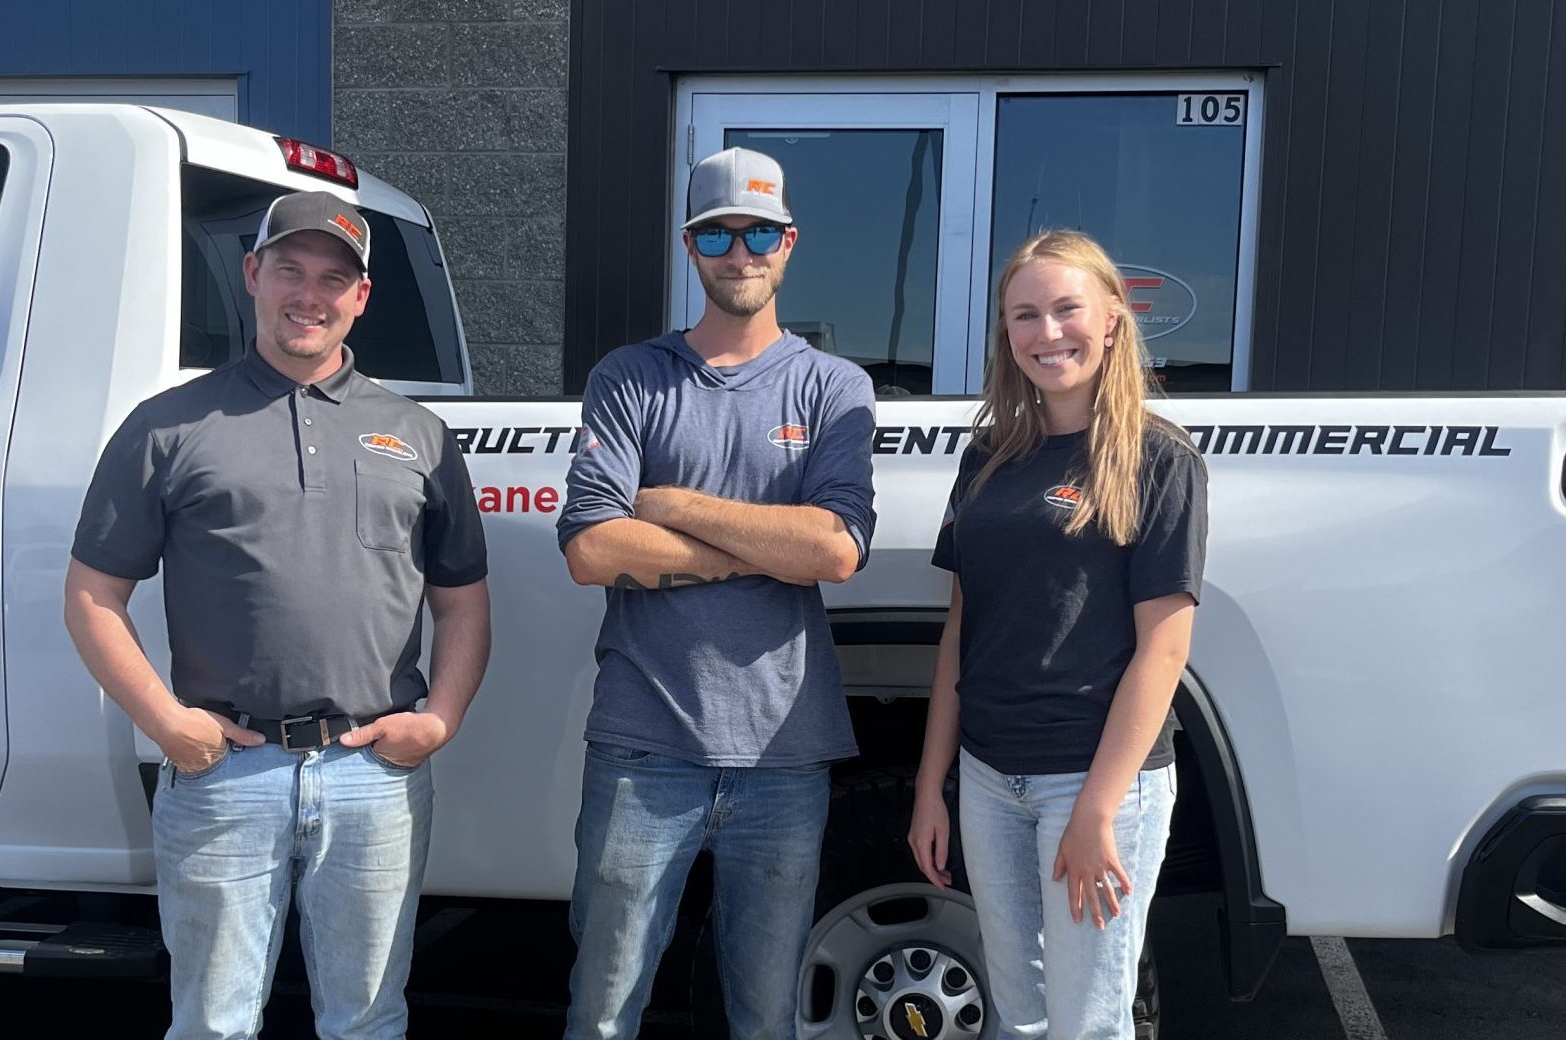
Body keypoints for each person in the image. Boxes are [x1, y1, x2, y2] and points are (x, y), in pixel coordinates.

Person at [63, 191, 491, 1040]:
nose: (310, 294)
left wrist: (437, 722)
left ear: (360, 298)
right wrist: (167, 726)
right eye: (290, 269)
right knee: (213, 1024)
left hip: (375, 776)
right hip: (224, 774)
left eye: (335, 278)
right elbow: (91, 596)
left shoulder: (418, 434)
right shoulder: (170, 425)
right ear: (253, 275)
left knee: (366, 1022)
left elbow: (463, 601)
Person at [556, 147, 877, 1040]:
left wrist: (678, 509)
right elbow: (590, 549)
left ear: (789, 242)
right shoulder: (630, 377)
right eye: (718, 233)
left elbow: (834, 548)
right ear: (691, 246)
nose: (741, 252)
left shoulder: (831, 387)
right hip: (641, 746)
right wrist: (764, 546)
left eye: (760, 232)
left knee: (766, 1014)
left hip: (784, 754)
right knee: (603, 1006)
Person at [908, 230, 1207, 1040]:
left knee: (1087, 1022)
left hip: (1094, 782)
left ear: (1111, 317)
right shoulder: (986, 458)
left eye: (1066, 309)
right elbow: (961, 629)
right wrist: (931, 785)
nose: (1048, 334)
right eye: (1024, 315)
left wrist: (1096, 811)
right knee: (1017, 1015)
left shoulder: (1156, 458)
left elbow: (1164, 649)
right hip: (988, 778)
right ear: (1006, 334)